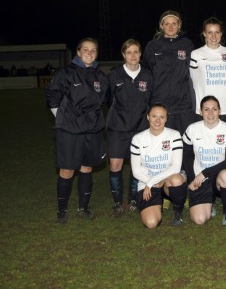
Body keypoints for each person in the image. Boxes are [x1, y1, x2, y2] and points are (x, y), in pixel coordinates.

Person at [46, 38, 109, 223]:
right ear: (78, 52)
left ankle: (83, 208)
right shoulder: (65, 73)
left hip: (92, 129)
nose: (90, 53)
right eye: (86, 49)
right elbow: (52, 96)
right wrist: (63, 118)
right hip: (69, 131)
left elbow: (104, 101)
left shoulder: (101, 77)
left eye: (93, 50)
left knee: (86, 168)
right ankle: (62, 210)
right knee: (67, 170)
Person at [106, 39, 153, 216]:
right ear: (123, 55)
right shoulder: (113, 75)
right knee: (115, 165)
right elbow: (108, 100)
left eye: (136, 52)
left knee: (136, 166)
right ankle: (118, 202)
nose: (133, 56)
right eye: (129, 52)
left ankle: (133, 199)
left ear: (140, 54)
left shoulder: (148, 76)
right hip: (117, 128)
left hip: (140, 128)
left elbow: (150, 101)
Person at [182, 96, 226, 226]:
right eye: (206, 109)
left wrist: (205, 173)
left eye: (214, 109)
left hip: (220, 179)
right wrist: (192, 179)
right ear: (200, 112)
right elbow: (187, 157)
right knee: (199, 219)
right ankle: (209, 201)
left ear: (220, 111)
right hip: (200, 180)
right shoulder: (192, 129)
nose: (211, 113)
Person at [130, 104, 188, 228]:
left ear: (166, 119)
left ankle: (178, 212)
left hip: (167, 180)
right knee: (151, 223)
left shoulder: (174, 135)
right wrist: (151, 183)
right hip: (146, 182)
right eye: (154, 116)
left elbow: (176, 167)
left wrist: (154, 182)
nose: (157, 120)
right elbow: (136, 171)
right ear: (148, 117)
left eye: (162, 117)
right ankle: (158, 203)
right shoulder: (138, 139)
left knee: (177, 179)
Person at [142, 10, 196, 133]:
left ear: (179, 25)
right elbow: (146, 74)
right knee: (163, 145)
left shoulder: (187, 45)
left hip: (183, 105)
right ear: (161, 25)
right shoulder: (152, 46)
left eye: (174, 23)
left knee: (186, 145)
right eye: (167, 24)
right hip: (160, 104)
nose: (170, 27)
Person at [190, 17, 226, 125]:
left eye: (217, 32)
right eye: (210, 32)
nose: (213, 36)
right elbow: (194, 80)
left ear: (221, 34)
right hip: (204, 108)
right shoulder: (196, 54)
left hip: (225, 107)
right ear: (204, 33)